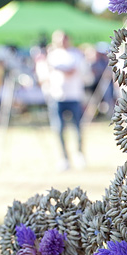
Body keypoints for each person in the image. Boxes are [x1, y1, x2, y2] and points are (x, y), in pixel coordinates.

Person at [43, 30, 87, 169]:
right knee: (58, 128)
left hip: (74, 96)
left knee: (77, 127)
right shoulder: (52, 55)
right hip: (57, 96)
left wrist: (59, 69)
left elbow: (72, 71)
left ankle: (79, 154)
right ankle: (64, 158)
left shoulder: (75, 54)